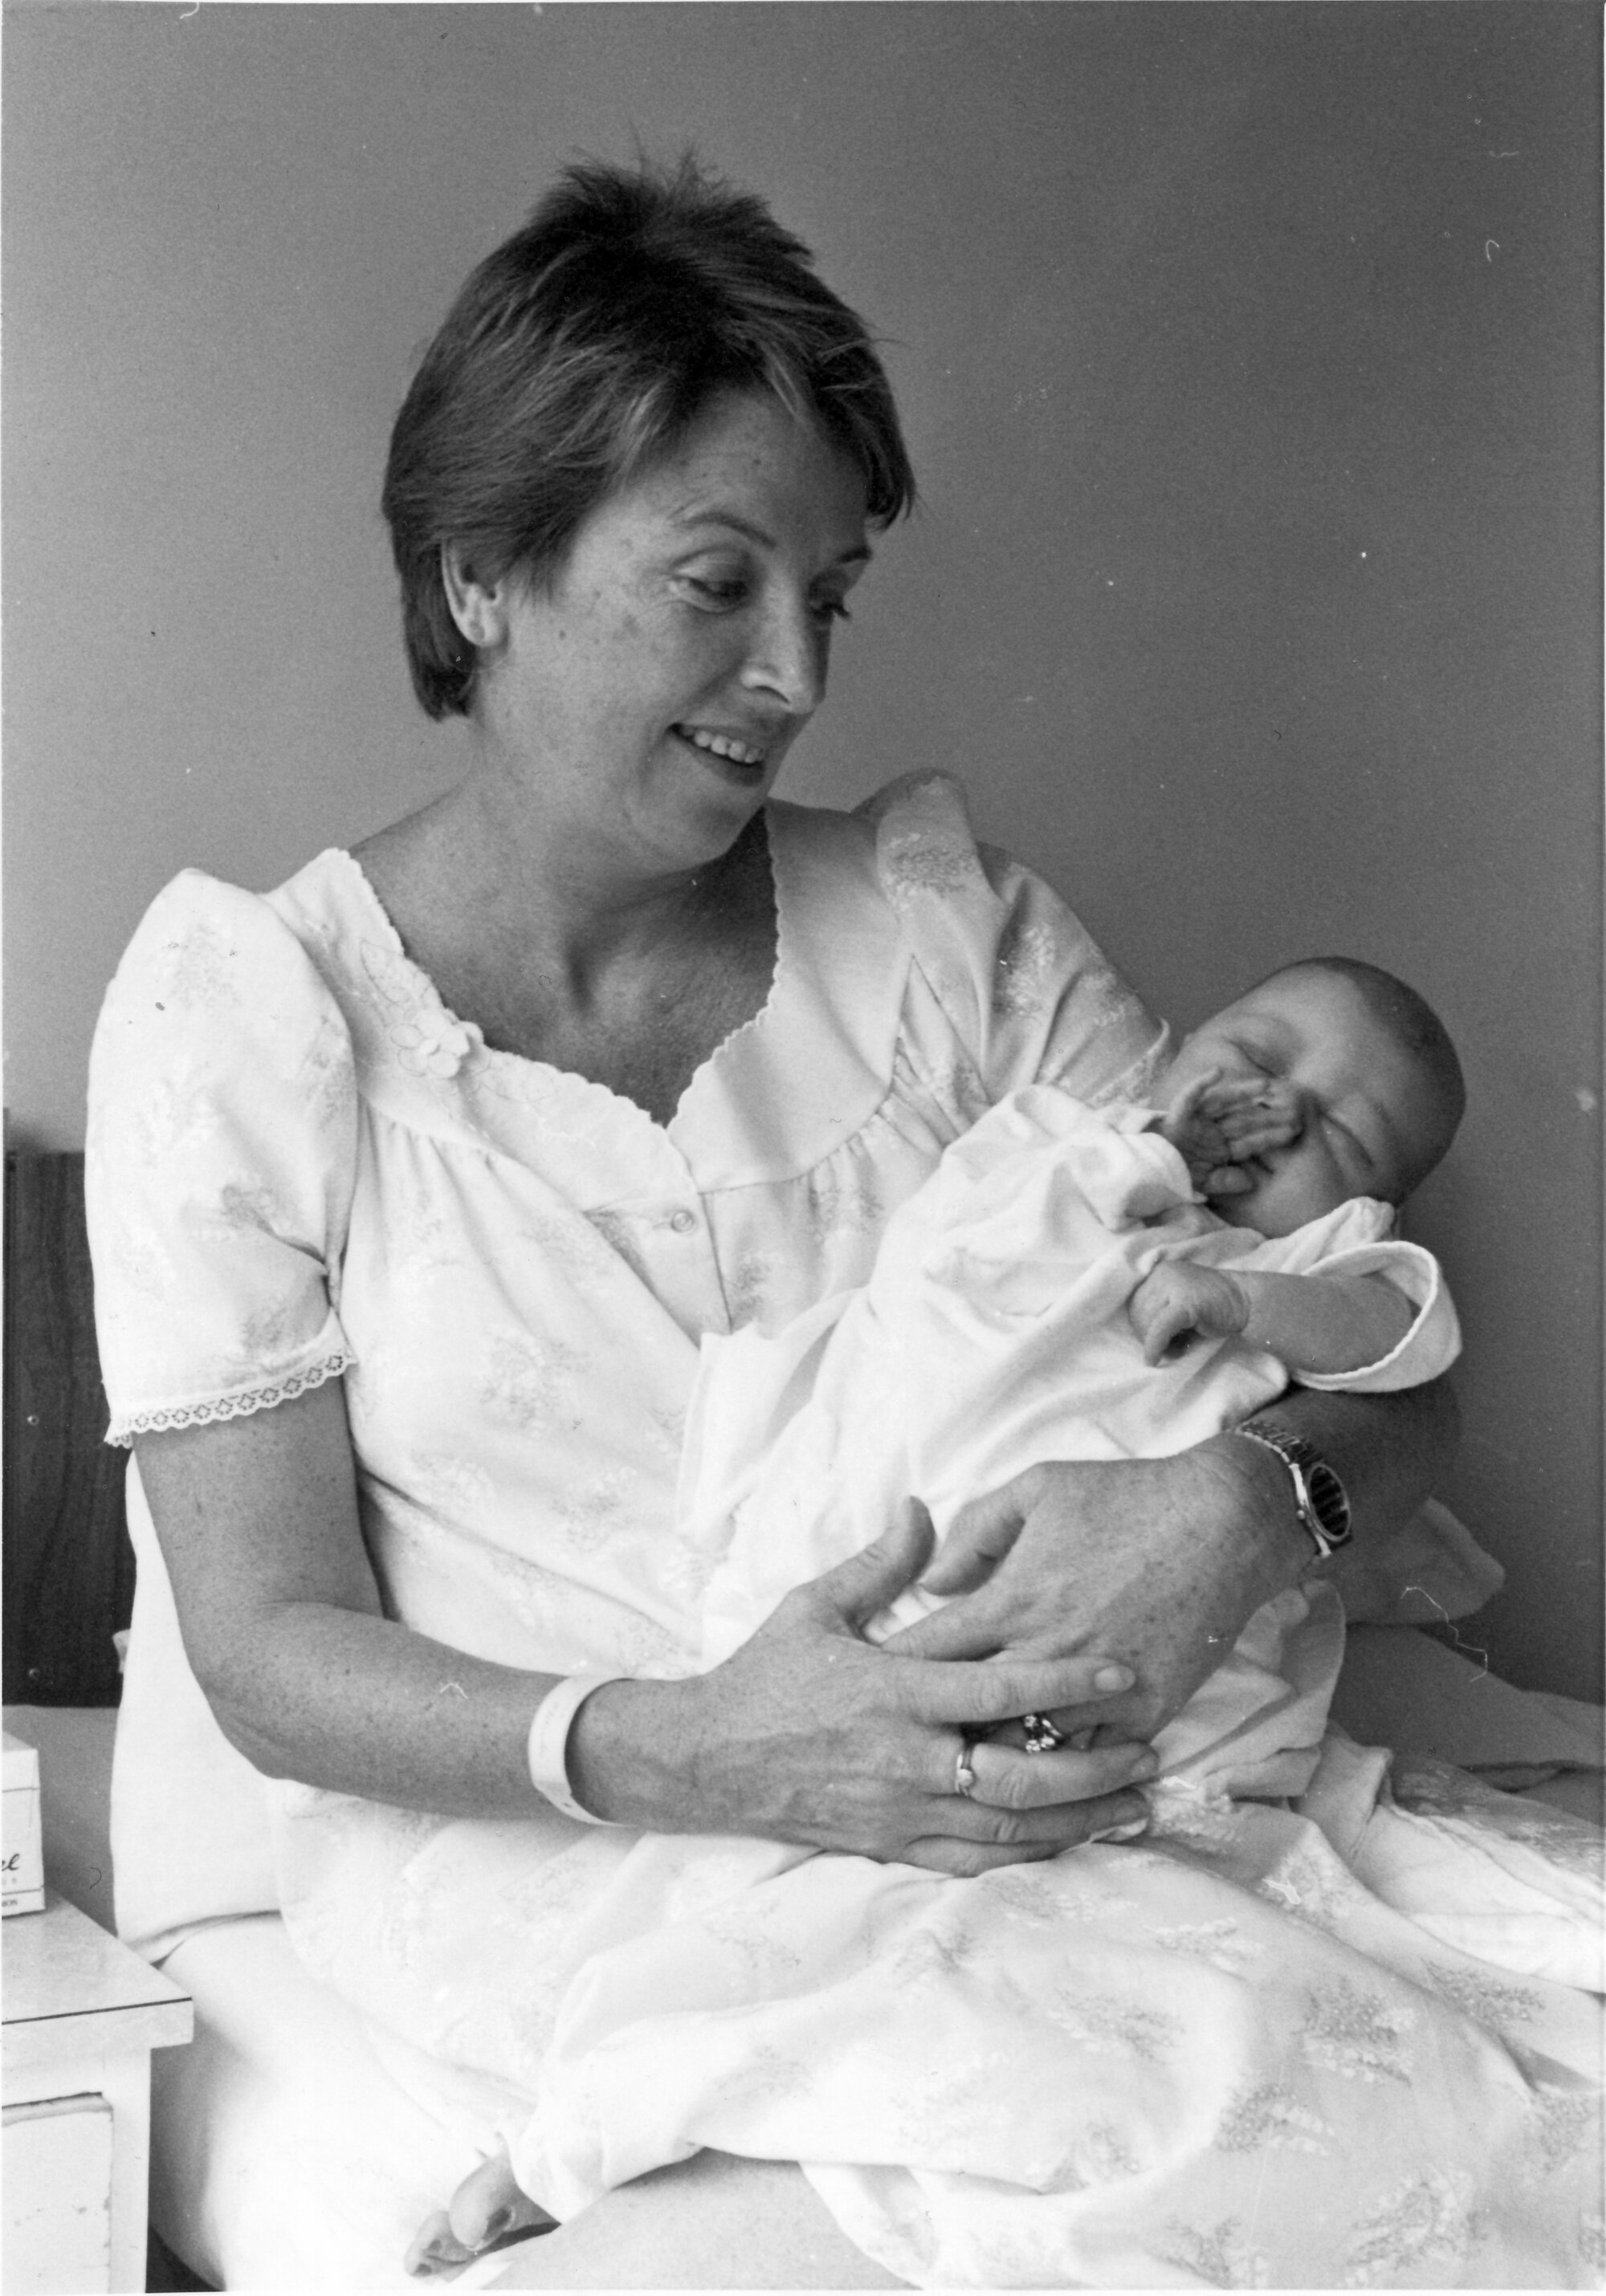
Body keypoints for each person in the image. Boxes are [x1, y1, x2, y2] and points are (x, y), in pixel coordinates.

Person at [83, 159, 1599, 2291]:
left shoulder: (953, 943)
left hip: (1012, 1816)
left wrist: (1252, 1513)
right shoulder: (246, 1018)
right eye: (718, 582)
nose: (796, 672)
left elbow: (1385, 1404)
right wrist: (706, 1745)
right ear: (483, 568)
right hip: (551, 1851)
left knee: (1443, 2123)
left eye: (834, 594)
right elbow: (268, 1655)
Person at [689, 955, 1465, 1803]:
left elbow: (1400, 1342)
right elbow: (964, 1246)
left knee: (1165, 1741)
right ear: (1181, 1048)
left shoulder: (1312, 1255)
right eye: (1256, 1058)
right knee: (811, 1586)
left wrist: (1245, 1300)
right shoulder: (1052, 1138)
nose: (1279, 1116)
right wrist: (1160, 1158)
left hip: (1128, 1588)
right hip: (912, 1475)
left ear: (1375, 1207)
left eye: (1342, 1140)